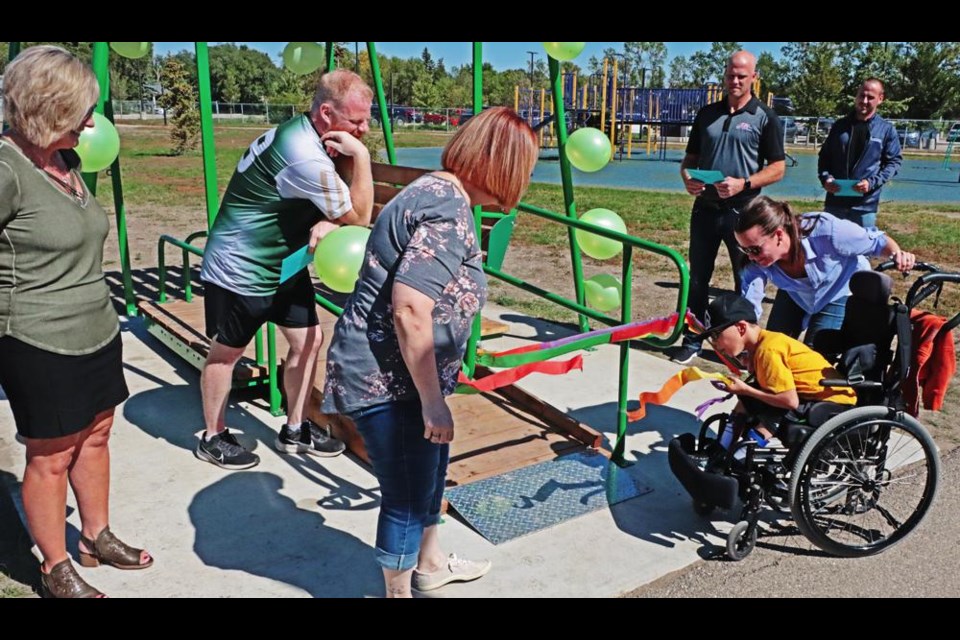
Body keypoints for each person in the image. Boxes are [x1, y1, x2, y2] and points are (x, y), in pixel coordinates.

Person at [321, 107, 538, 598]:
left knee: (427, 473)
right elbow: (410, 311)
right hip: (389, 380)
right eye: (522, 168)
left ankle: (432, 564)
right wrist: (432, 401)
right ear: (500, 166)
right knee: (403, 494)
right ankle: (398, 592)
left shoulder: (436, 190)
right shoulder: (448, 211)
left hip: (402, 375)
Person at [0, 46, 153, 598]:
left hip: (97, 328)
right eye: (79, 113)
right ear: (44, 110)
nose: (91, 124)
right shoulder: (6, 169)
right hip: (37, 339)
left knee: (97, 435)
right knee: (51, 455)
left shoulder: (66, 160)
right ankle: (55, 564)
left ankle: (96, 535)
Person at [197, 69, 374, 469]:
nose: (364, 129)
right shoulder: (303, 154)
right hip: (242, 264)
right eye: (357, 121)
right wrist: (360, 157)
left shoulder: (309, 133)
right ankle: (213, 435)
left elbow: (341, 205)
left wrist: (333, 220)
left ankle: (295, 428)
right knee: (227, 354)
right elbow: (360, 216)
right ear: (327, 114)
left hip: (284, 262)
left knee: (309, 340)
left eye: (367, 120)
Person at [672, 50, 786, 365]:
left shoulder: (765, 117)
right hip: (705, 208)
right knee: (698, 278)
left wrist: (744, 184)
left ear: (754, 78)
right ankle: (692, 339)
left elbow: (778, 168)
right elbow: (690, 159)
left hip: (744, 214)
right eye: (730, 75)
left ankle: (744, 350)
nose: (735, 81)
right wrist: (686, 177)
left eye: (742, 76)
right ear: (724, 76)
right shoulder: (707, 113)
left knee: (745, 281)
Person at [736, 196, 915, 346]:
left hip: (837, 291)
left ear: (779, 235)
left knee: (816, 356)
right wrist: (745, 338)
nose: (751, 256)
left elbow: (878, 242)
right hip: (795, 293)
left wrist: (897, 254)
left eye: (755, 249)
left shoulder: (828, 232)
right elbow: (750, 303)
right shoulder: (756, 262)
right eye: (745, 250)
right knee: (770, 347)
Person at [697, 294, 856, 449]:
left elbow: (789, 401)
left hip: (834, 403)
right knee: (750, 398)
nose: (715, 343)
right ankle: (722, 448)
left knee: (773, 409)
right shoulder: (764, 344)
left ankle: (743, 455)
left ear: (741, 327)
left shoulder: (768, 350)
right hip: (812, 396)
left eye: (716, 335)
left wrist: (746, 390)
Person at [818, 78, 902, 230]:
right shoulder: (840, 126)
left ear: (880, 99)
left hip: (865, 206)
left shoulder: (886, 130)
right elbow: (824, 157)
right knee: (829, 250)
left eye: (870, 97)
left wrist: (872, 182)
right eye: (861, 95)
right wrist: (826, 179)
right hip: (835, 203)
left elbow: (893, 163)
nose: (864, 101)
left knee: (862, 252)